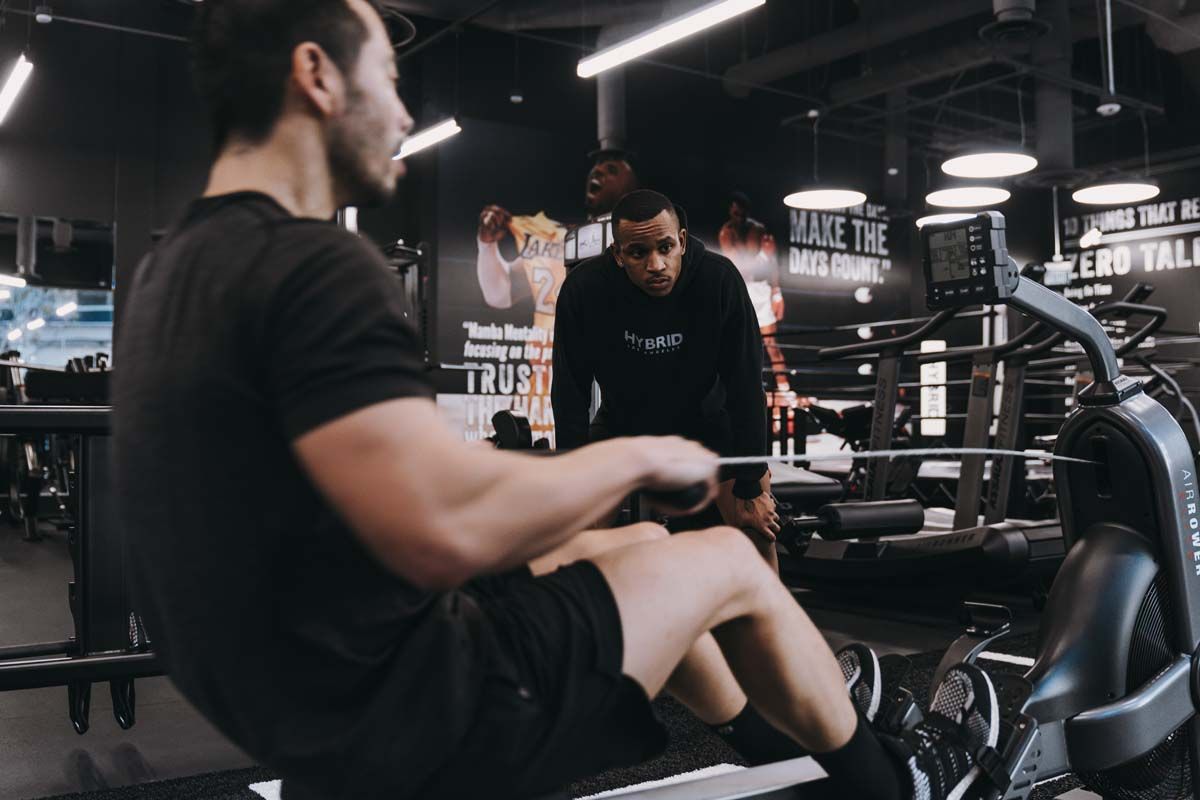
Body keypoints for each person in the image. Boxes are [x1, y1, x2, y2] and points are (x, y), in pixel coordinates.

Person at [113, 2, 1000, 800]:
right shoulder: (311, 264)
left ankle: (781, 737)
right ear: (314, 76)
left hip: (296, 700)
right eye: (386, 79)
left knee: (648, 542)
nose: (401, 113)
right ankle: (902, 781)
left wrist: (591, 506)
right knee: (728, 563)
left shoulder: (173, 270)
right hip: (409, 714)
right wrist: (639, 456)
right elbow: (440, 529)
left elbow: (365, 502)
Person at [553, 189, 783, 565]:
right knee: (571, 538)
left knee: (756, 533)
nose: (655, 265)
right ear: (618, 254)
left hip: (710, 426)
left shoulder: (719, 280)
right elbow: (569, 392)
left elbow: (745, 387)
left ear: (681, 241)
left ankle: (765, 617)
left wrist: (751, 482)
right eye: (638, 253)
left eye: (665, 248)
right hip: (623, 426)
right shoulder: (584, 291)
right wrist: (573, 483)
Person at [473, 151, 640, 445]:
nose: (596, 172)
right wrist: (486, 246)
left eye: (610, 169)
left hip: (625, 391)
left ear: (632, 189)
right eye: (594, 168)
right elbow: (499, 294)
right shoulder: (561, 241)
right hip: (559, 385)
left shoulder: (648, 254)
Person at [718, 191, 794, 403]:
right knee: (740, 344)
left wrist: (777, 293)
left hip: (761, 289)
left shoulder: (759, 230)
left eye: (741, 213)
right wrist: (761, 257)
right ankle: (743, 392)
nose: (738, 217)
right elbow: (738, 266)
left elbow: (772, 264)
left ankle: (786, 390)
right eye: (735, 213)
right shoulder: (726, 233)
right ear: (730, 212)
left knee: (771, 344)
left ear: (746, 212)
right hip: (742, 290)